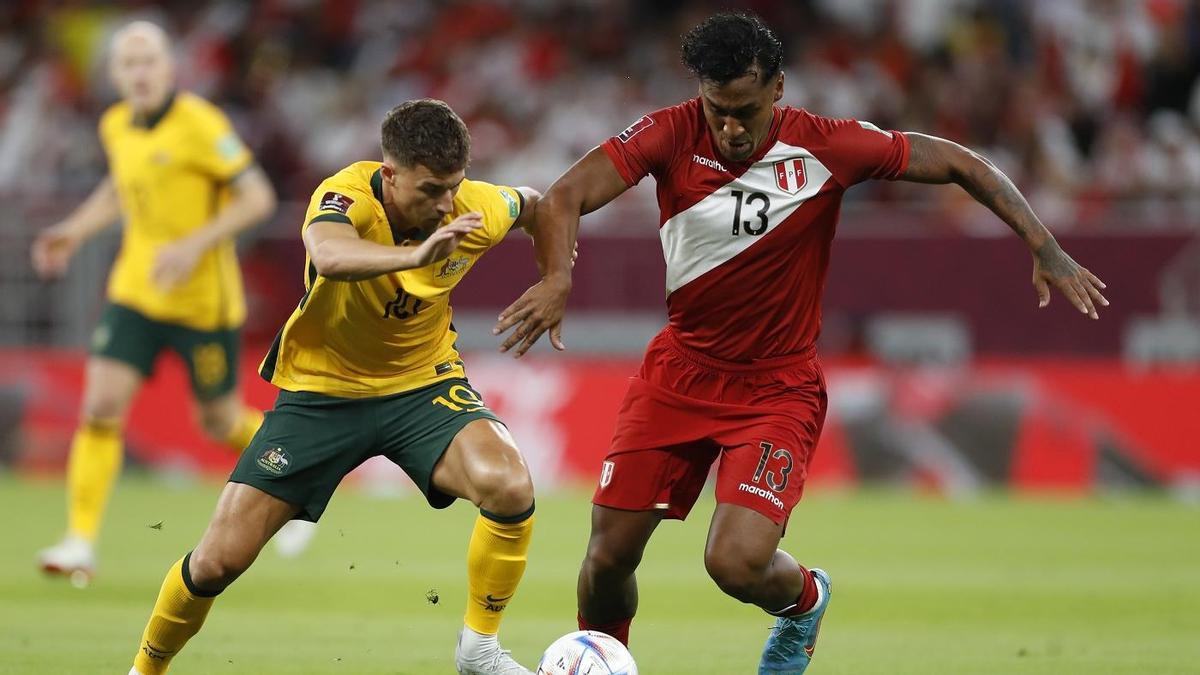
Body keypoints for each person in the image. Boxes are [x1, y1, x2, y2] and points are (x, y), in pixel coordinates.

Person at [493, 11, 1108, 675]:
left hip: (775, 388)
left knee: (734, 561)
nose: (728, 128)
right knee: (606, 559)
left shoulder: (829, 146)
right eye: (716, 109)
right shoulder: (671, 132)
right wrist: (558, 277)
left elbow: (960, 162)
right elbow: (565, 195)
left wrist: (1044, 245)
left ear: (778, 88)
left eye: (745, 111)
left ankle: (807, 598)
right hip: (678, 372)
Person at [128, 99, 542, 675]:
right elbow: (327, 253)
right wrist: (415, 255)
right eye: (430, 190)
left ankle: (479, 650)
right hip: (322, 393)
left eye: (453, 186)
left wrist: (559, 279)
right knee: (218, 562)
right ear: (390, 174)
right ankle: (145, 670)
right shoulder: (344, 194)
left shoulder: (475, 206)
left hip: (422, 385)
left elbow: (541, 204)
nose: (446, 204)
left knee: (509, 486)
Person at [30, 21, 282, 582]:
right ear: (114, 74)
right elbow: (123, 187)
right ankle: (78, 541)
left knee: (217, 423)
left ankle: (291, 465)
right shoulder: (115, 124)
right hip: (137, 292)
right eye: (128, 63)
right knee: (99, 406)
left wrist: (194, 246)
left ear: (170, 68)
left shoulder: (201, 124)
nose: (139, 72)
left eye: (149, 61)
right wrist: (71, 231)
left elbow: (258, 196)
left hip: (203, 303)